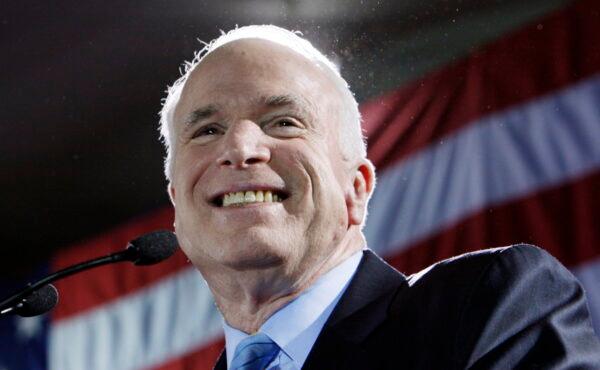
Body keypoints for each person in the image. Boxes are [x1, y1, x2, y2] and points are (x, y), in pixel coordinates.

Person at [159, 25, 600, 369]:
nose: (240, 149)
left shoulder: (488, 308)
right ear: (178, 206)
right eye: (207, 131)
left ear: (356, 189)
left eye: (283, 122)